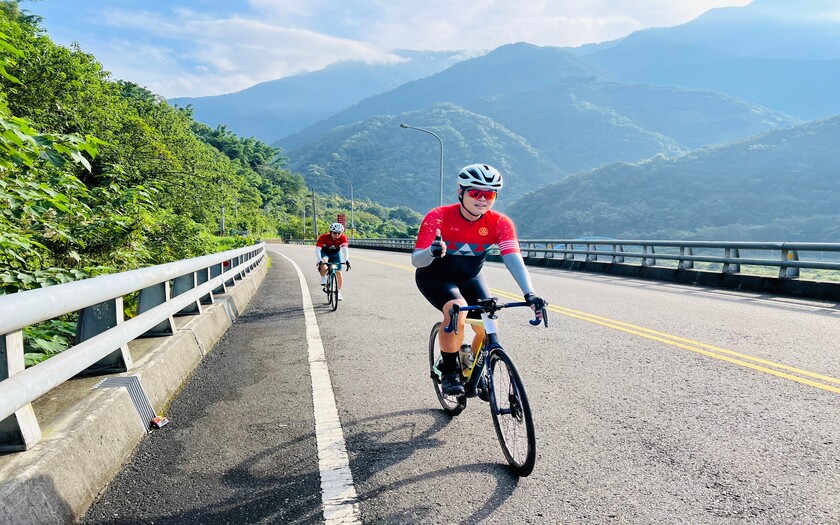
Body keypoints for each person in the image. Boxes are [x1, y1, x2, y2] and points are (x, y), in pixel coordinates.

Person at [412, 163, 546, 396]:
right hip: (435, 276)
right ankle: (450, 371)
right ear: (460, 192)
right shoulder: (438, 217)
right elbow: (417, 260)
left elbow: (512, 256)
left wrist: (530, 293)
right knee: (457, 309)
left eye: (490, 194)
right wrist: (431, 252)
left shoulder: (500, 223)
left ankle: (472, 364)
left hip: (470, 277)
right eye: (475, 193)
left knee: (489, 323)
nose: (482, 199)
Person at [316, 222, 351, 300]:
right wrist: (319, 260)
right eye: (335, 233)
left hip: (336, 254)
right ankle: (324, 277)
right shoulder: (324, 237)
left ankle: (338, 292)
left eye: (339, 233)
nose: (337, 235)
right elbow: (318, 249)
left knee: (339, 273)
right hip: (325, 253)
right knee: (324, 264)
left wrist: (347, 260)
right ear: (331, 232)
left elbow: (345, 249)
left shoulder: (343, 237)